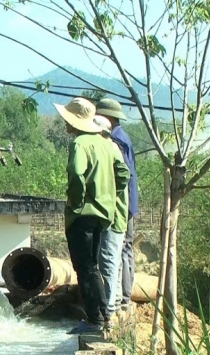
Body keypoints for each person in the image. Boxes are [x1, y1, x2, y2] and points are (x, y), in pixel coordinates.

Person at [55, 98, 130, 334]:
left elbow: (77, 174)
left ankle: (94, 320)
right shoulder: (108, 143)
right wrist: (108, 195)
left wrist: (76, 204)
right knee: (93, 267)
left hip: (83, 215)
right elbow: (123, 174)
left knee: (84, 268)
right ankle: (104, 315)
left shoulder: (80, 143)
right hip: (103, 215)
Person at [96, 98, 138, 309]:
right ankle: (125, 295)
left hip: (121, 204)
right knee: (125, 248)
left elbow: (121, 174)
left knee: (117, 249)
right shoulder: (123, 137)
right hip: (129, 202)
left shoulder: (115, 141)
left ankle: (121, 297)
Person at [93, 115, 129, 320]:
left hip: (112, 216)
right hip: (116, 214)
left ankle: (107, 308)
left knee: (107, 261)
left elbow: (123, 176)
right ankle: (112, 303)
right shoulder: (113, 147)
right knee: (112, 260)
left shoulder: (109, 149)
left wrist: (108, 193)